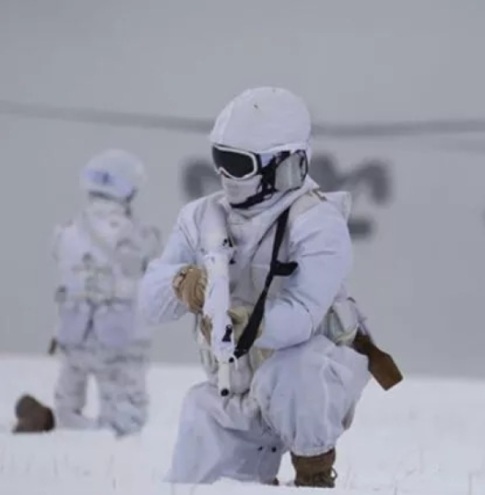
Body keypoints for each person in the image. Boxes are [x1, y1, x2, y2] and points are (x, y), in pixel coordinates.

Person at [136, 86, 401, 488]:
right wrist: (182, 285)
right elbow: (148, 303)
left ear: (283, 164)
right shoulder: (201, 217)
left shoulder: (316, 222)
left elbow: (303, 315)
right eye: (220, 159)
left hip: (313, 381)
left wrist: (248, 325)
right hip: (232, 385)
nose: (225, 175)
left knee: (294, 370)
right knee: (192, 468)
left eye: (238, 165)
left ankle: (313, 471)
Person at [12, 149, 161, 437]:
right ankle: (92, 435)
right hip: (119, 335)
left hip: (73, 330)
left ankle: (51, 423)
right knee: (127, 418)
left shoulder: (68, 229)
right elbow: (146, 259)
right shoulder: (132, 232)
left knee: (68, 403)